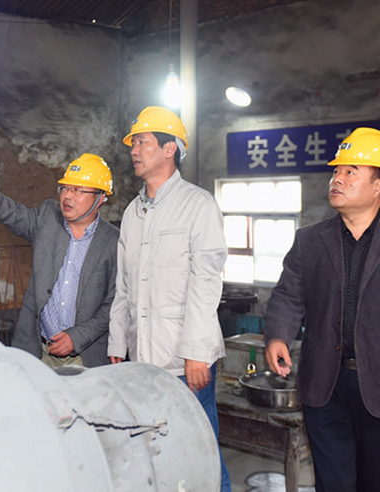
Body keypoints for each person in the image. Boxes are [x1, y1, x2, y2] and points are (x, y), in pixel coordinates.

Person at [264, 127, 380, 492]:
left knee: (375, 481)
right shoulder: (309, 240)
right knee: (333, 483)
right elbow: (288, 295)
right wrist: (278, 335)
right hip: (324, 384)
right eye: (336, 171)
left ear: (378, 185)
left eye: (350, 171)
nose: (338, 179)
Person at [107, 106, 231, 491]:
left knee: (201, 454)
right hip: (143, 359)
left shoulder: (198, 205)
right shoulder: (133, 212)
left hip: (184, 361)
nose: (134, 151)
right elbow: (124, 285)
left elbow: (206, 283)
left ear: (169, 149)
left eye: (142, 142)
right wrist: (118, 342)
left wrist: (196, 351)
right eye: (133, 144)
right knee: (157, 453)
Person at [0, 153, 118, 369]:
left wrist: (77, 337)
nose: (67, 196)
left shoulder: (113, 242)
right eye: (65, 188)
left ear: (100, 198)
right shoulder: (47, 219)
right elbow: (8, 211)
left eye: (78, 190)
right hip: (37, 352)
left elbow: (114, 304)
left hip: (85, 356)